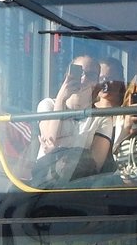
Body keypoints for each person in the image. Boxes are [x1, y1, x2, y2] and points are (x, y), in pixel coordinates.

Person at [32, 54, 114, 184]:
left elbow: (95, 164)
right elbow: (50, 140)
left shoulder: (102, 118)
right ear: (67, 76)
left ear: (97, 84)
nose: (83, 79)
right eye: (78, 73)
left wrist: (58, 151)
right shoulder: (47, 105)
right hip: (44, 182)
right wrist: (60, 101)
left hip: (78, 185)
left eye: (90, 75)